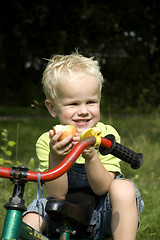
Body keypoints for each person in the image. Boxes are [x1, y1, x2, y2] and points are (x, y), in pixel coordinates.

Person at [23, 52, 144, 240]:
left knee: (123, 188)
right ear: (53, 108)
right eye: (73, 104)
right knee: (31, 216)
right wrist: (56, 156)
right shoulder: (49, 140)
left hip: (103, 210)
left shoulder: (106, 136)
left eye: (91, 102)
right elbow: (57, 194)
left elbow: (102, 188)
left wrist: (91, 156)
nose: (84, 111)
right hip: (63, 209)